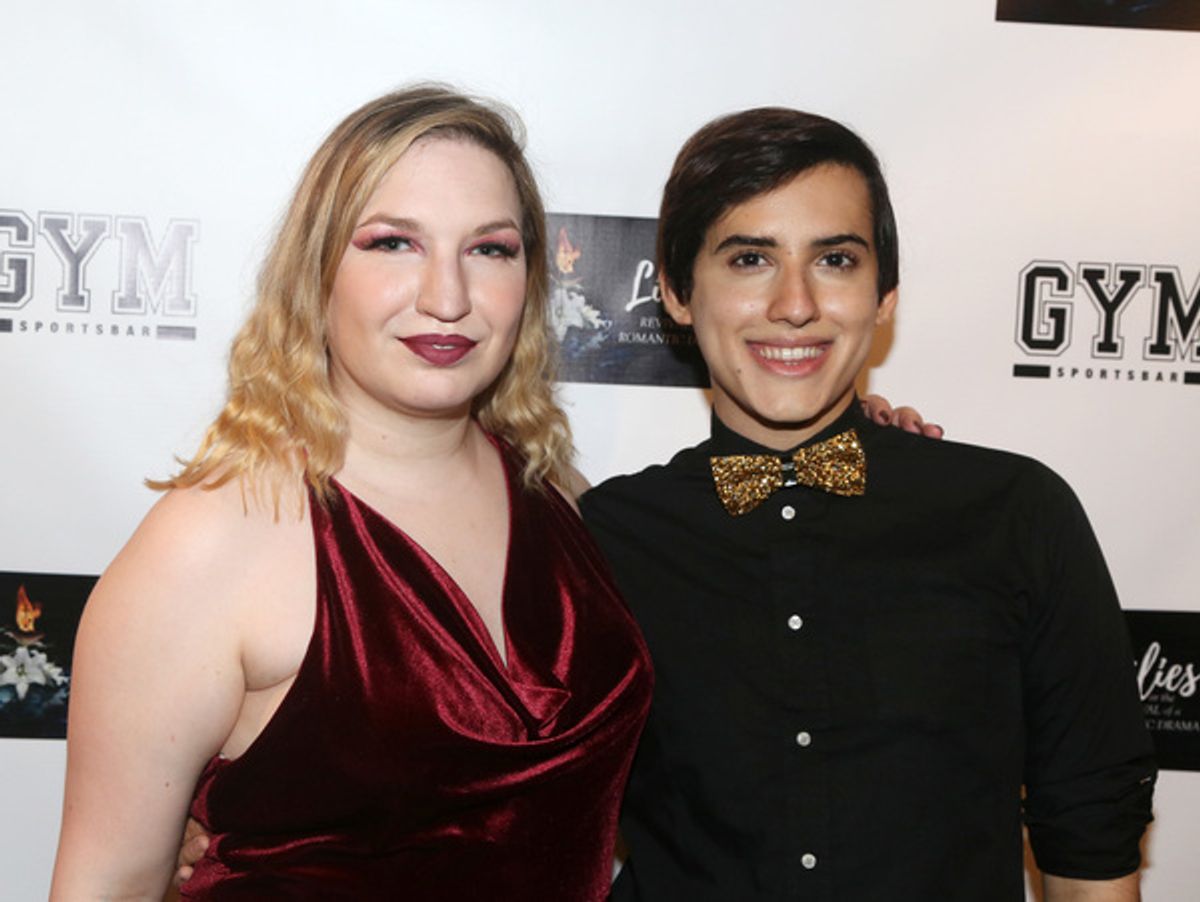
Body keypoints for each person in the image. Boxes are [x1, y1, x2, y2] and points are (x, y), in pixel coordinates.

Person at [50, 85, 654, 901]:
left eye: (490, 249)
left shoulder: (557, 492)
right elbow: (107, 884)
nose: (447, 297)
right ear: (317, 271)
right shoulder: (212, 540)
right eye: (393, 243)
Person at [580, 107, 1156, 901]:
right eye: (750, 259)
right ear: (677, 292)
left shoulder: (1014, 515)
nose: (795, 304)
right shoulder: (604, 543)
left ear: (883, 295)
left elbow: (1090, 841)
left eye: (835, 260)